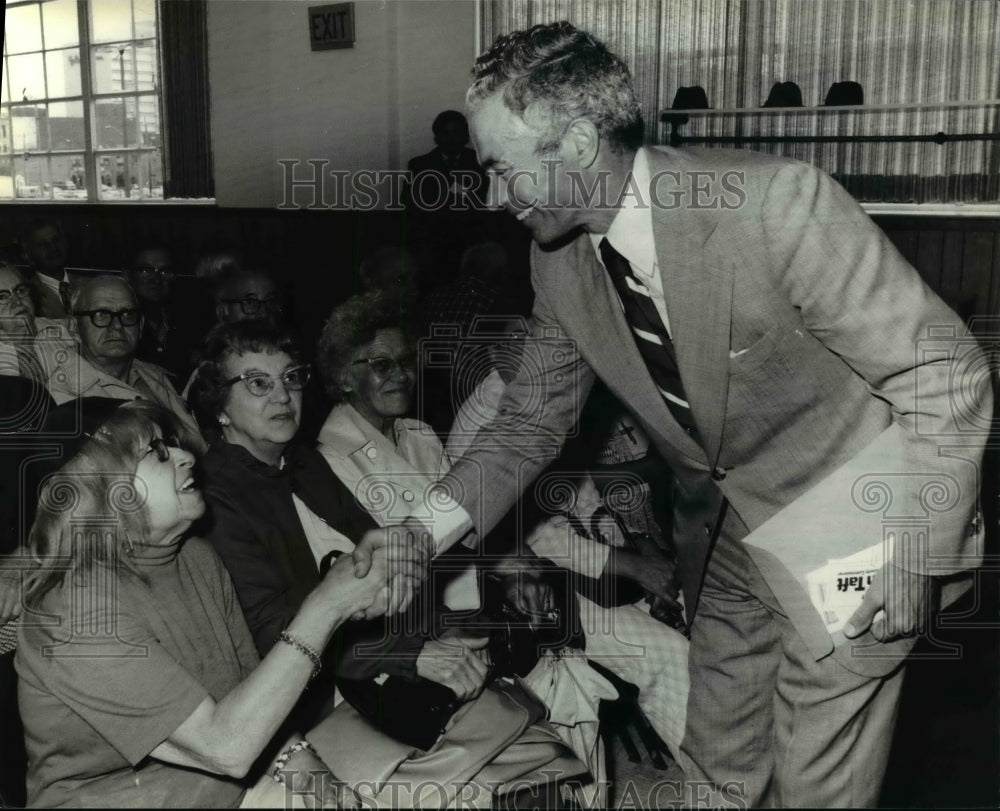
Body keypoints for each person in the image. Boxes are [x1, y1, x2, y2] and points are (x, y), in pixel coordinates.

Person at [353, 21, 992, 808]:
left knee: (812, 781)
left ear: (581, 143)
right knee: (712, 769)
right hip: (723, 543)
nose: (490, 196)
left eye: (500, 168)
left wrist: (912, 541)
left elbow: (946, 369)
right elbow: (527, 425)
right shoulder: (557, 262)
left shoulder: (777, 205)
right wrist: (419, 532)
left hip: (857, 525)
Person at [15, 400, 389, 807]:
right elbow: (225, 746)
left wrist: (323, 786)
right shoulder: (73, 613)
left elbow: (253, 704)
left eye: (172, 443)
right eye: (155, 452)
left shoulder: (196, 557)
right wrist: (326, 606)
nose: (185, 456)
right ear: (101, 491)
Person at [37, 276, 203, 448]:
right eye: (100, 315)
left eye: (128, 314)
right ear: (74, 326)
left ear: (141, 326)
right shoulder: (63, 397)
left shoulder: (155, 376)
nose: (117, 325)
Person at [124, 244, 198, 380]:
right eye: (146, 270)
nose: (156, 279)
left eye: (165, 272)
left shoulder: (188, 324)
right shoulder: (120, 326)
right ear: (128, 276)